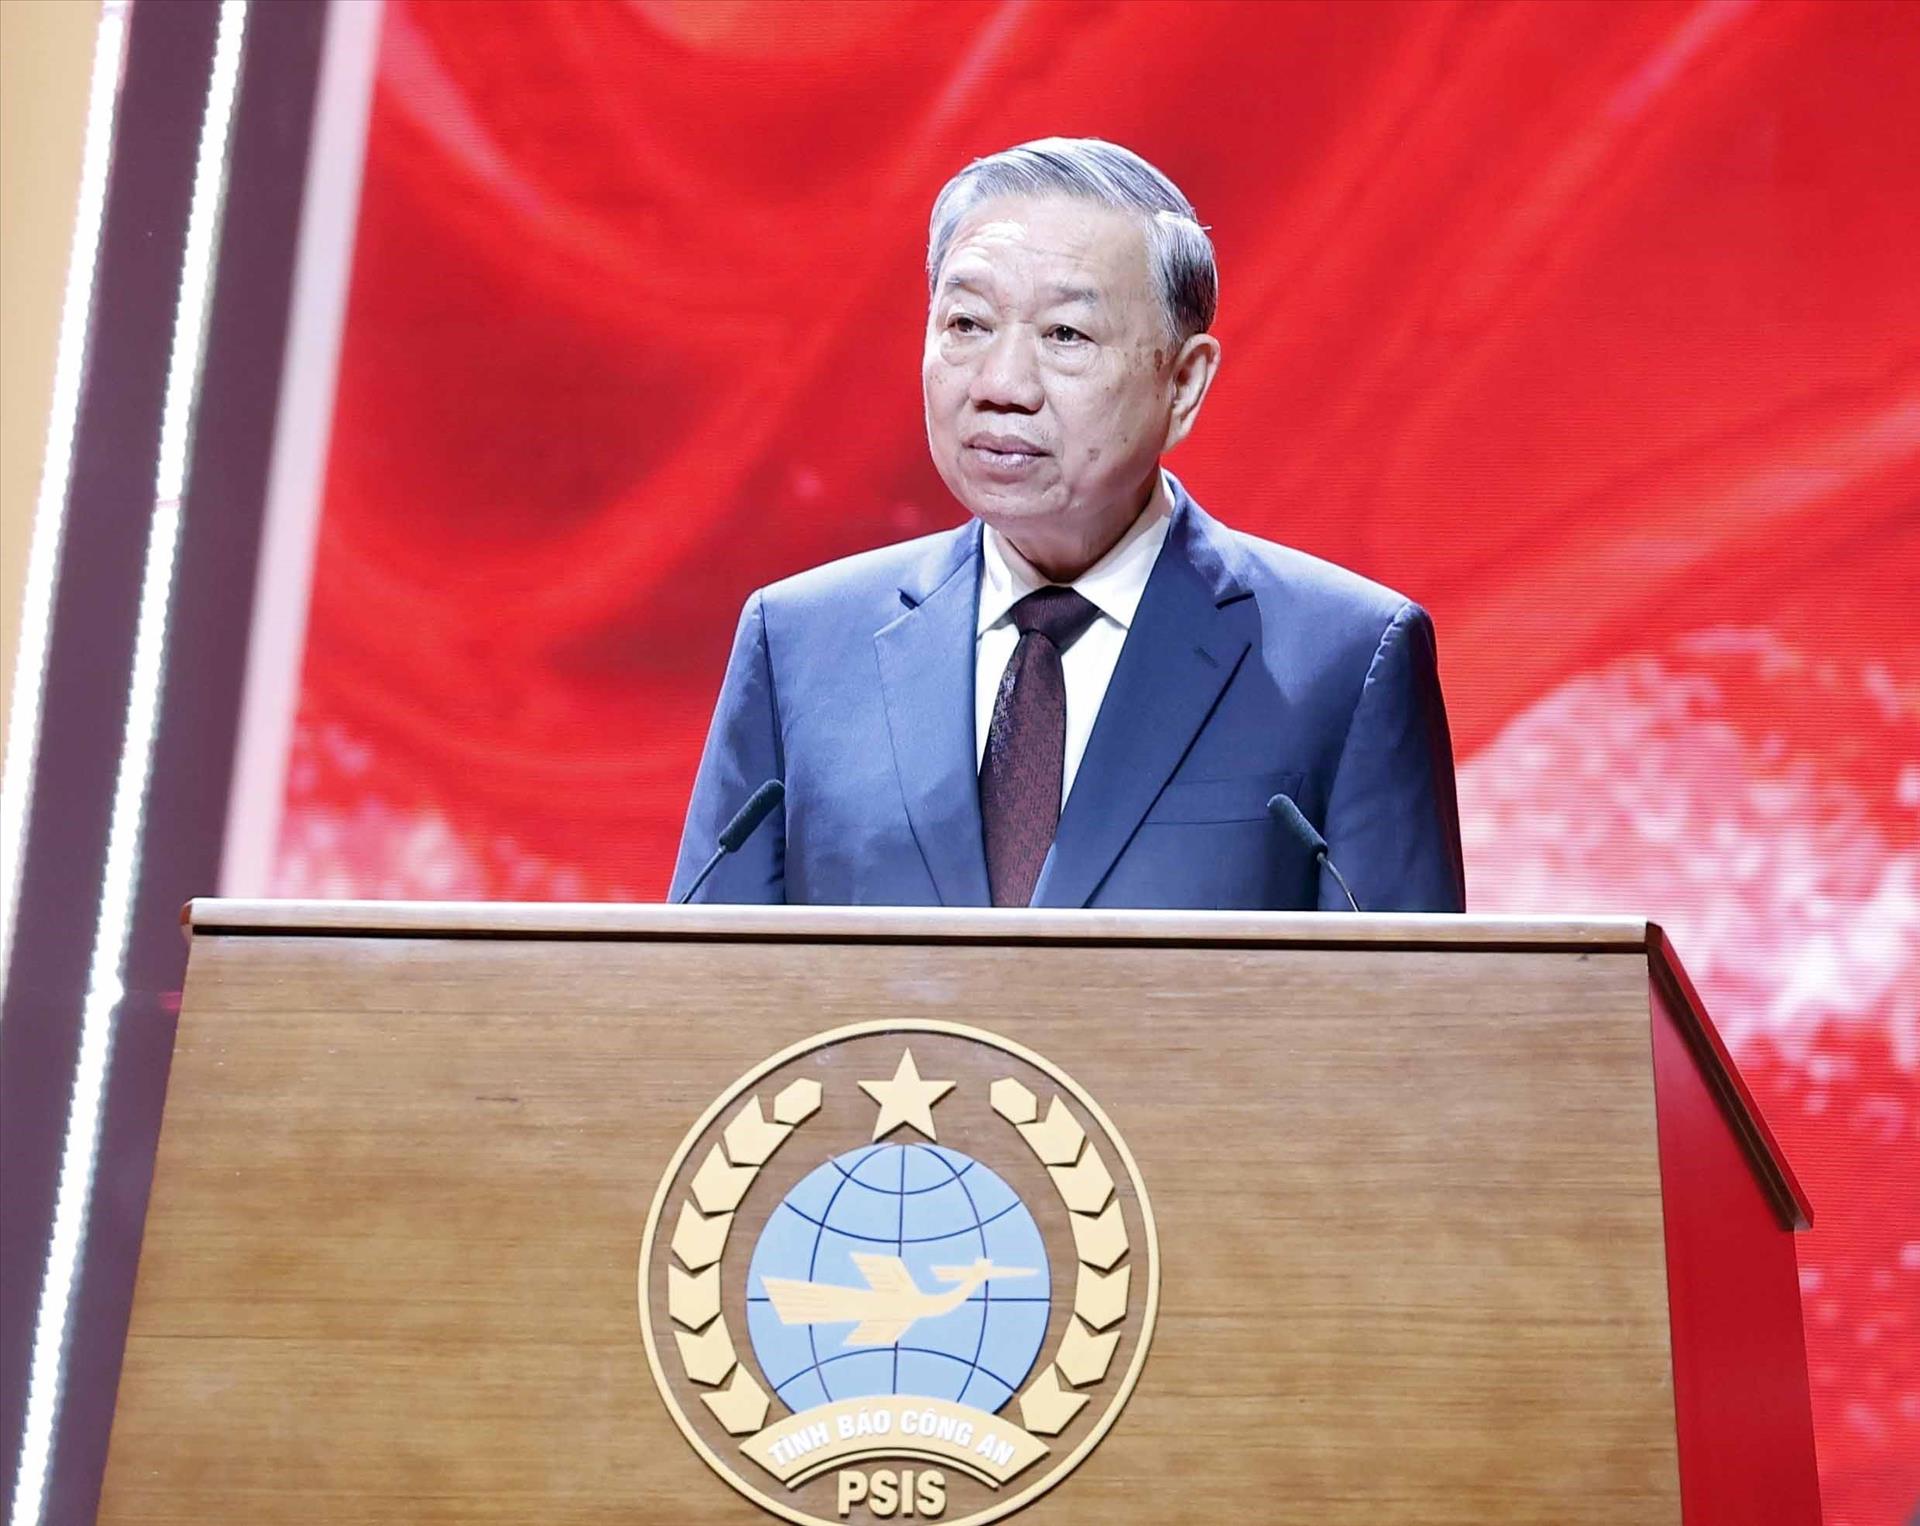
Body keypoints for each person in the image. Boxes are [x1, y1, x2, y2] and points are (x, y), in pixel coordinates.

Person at [670, 138, 1464, 912]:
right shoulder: (801, 646)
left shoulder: (1343, 661)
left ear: (1183, 384)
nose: (1001, 385)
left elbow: (1404, 1026)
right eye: (967, 325)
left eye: (1065, 336)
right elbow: (706, 998)